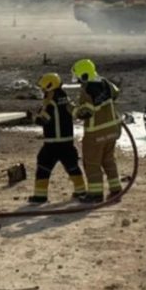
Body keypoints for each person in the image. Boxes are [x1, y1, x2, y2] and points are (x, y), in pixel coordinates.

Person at [26, 73, 88, 204]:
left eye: (44, 88)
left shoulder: (51, 102)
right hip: (67, 142)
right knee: (72, 167)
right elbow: (73, 112)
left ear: (50, 86)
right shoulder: (64, 98)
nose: (43, 91)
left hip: (53, 143)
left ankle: (40, 196)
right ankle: (81, 191)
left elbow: (43, 120)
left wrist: (33, 117)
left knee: (43, 167)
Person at [72, 59, 123, 203]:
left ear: (83, 75)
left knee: (92, 163)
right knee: (108, 161)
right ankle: (116, 190)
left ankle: (95, 194)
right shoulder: (106, 82)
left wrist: (72, 109)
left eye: (78, 76)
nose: (77, 80)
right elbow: (116, 93)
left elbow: (85, 113)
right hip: (112, 130)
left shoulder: (87, 89)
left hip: (96, 134)